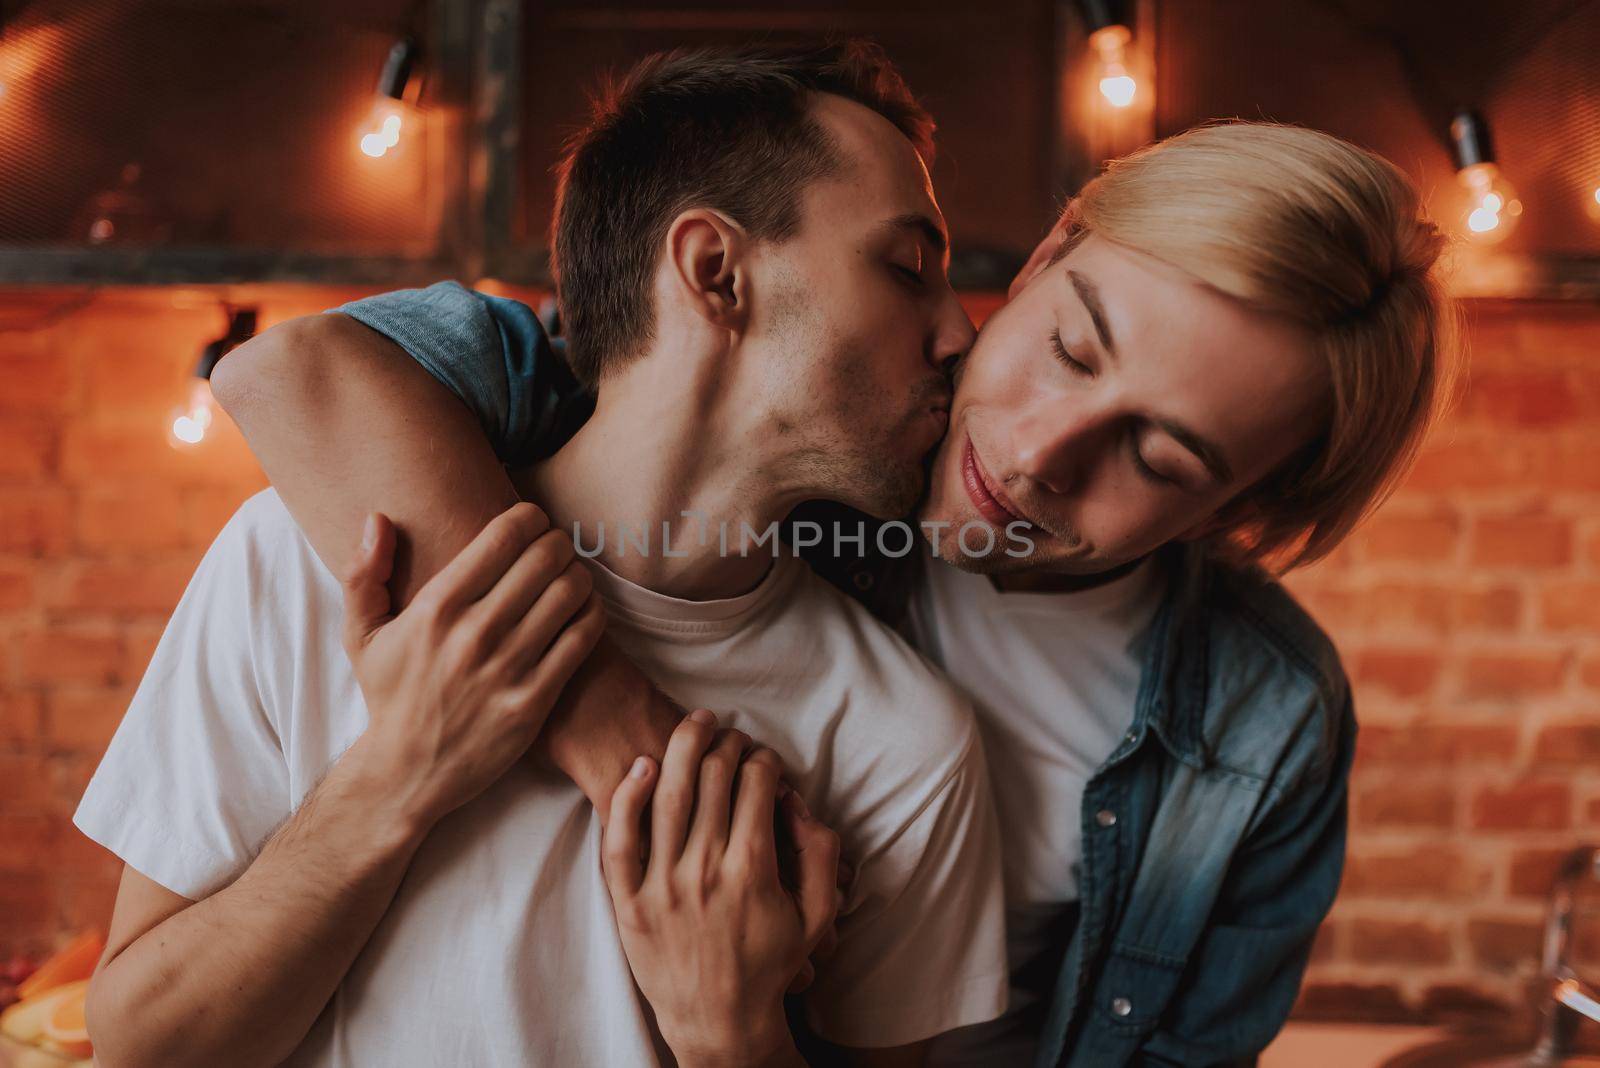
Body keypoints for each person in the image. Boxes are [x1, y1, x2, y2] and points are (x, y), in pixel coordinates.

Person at [217, 86, 1456, 1066]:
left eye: (1160, 456)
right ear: (1041, 258)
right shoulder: (755, 419)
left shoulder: (1264, 720)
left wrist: (739, 1031)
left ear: (1241, 514)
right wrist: (638, 758)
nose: (1033, 456)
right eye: (1071, 348)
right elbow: (299, 374)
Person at [73, 44, 1012, 1068]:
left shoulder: (905, 744)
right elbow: (138, 1048)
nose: (960, 334)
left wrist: (731, 1034)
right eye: (907, 268)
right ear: (714, 272)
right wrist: (393, 782)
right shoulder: (300, 561)